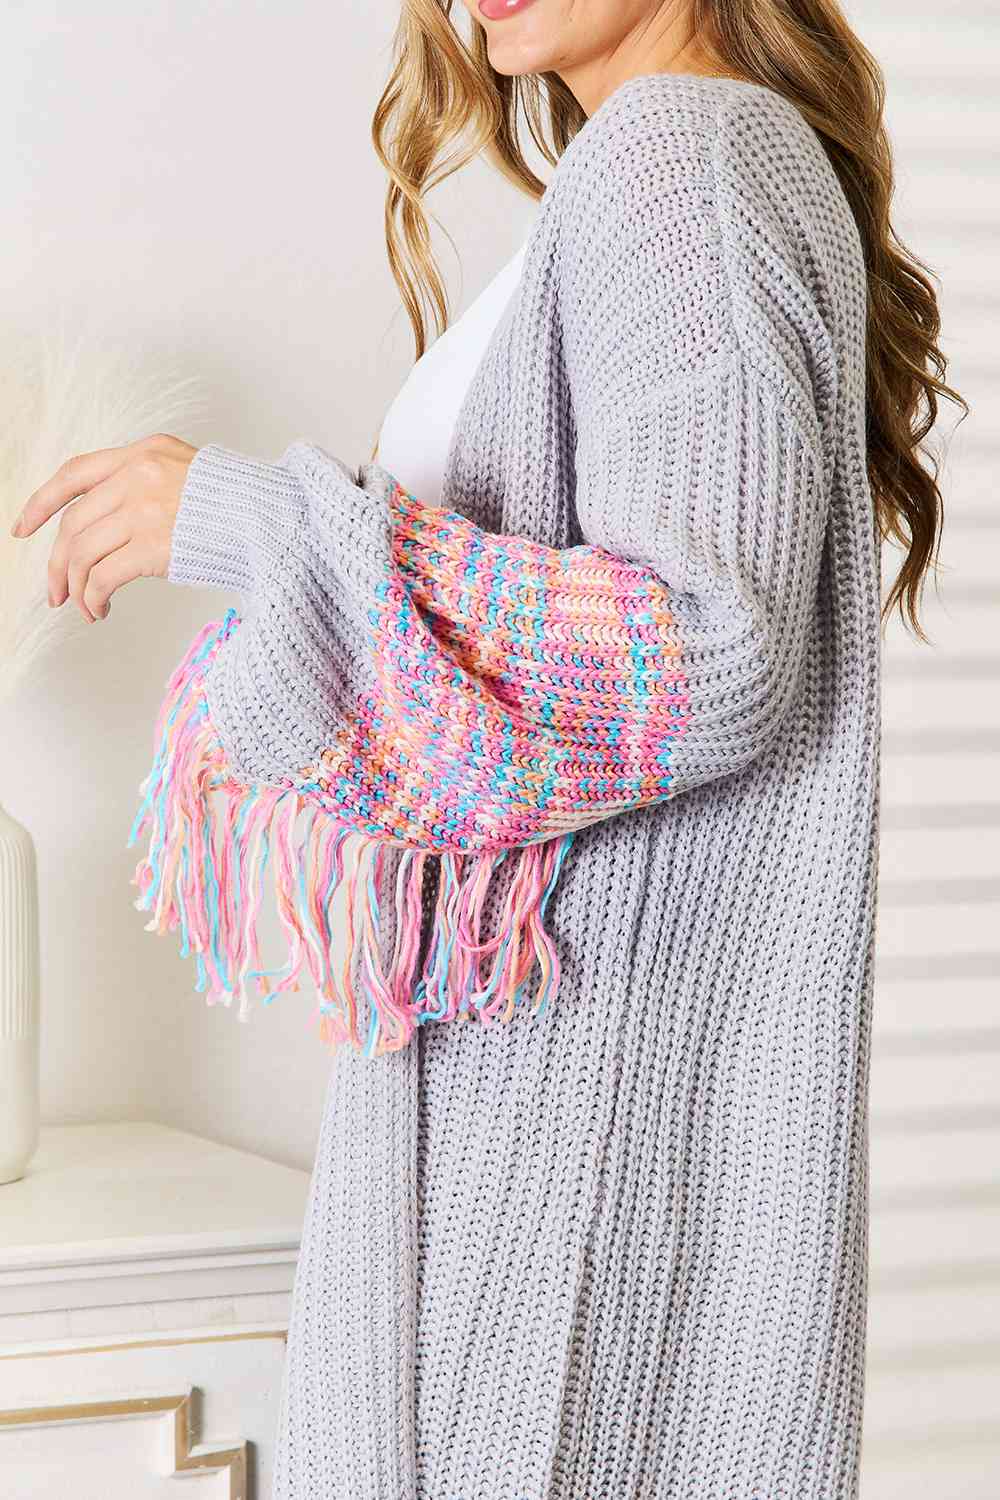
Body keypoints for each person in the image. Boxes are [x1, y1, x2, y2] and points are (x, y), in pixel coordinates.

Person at [13, 1, 964, 1495]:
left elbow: (713, 641)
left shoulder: (685, 153)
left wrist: (256, 521)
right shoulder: (660, 167)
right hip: (536, 1140)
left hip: (563, 1184)